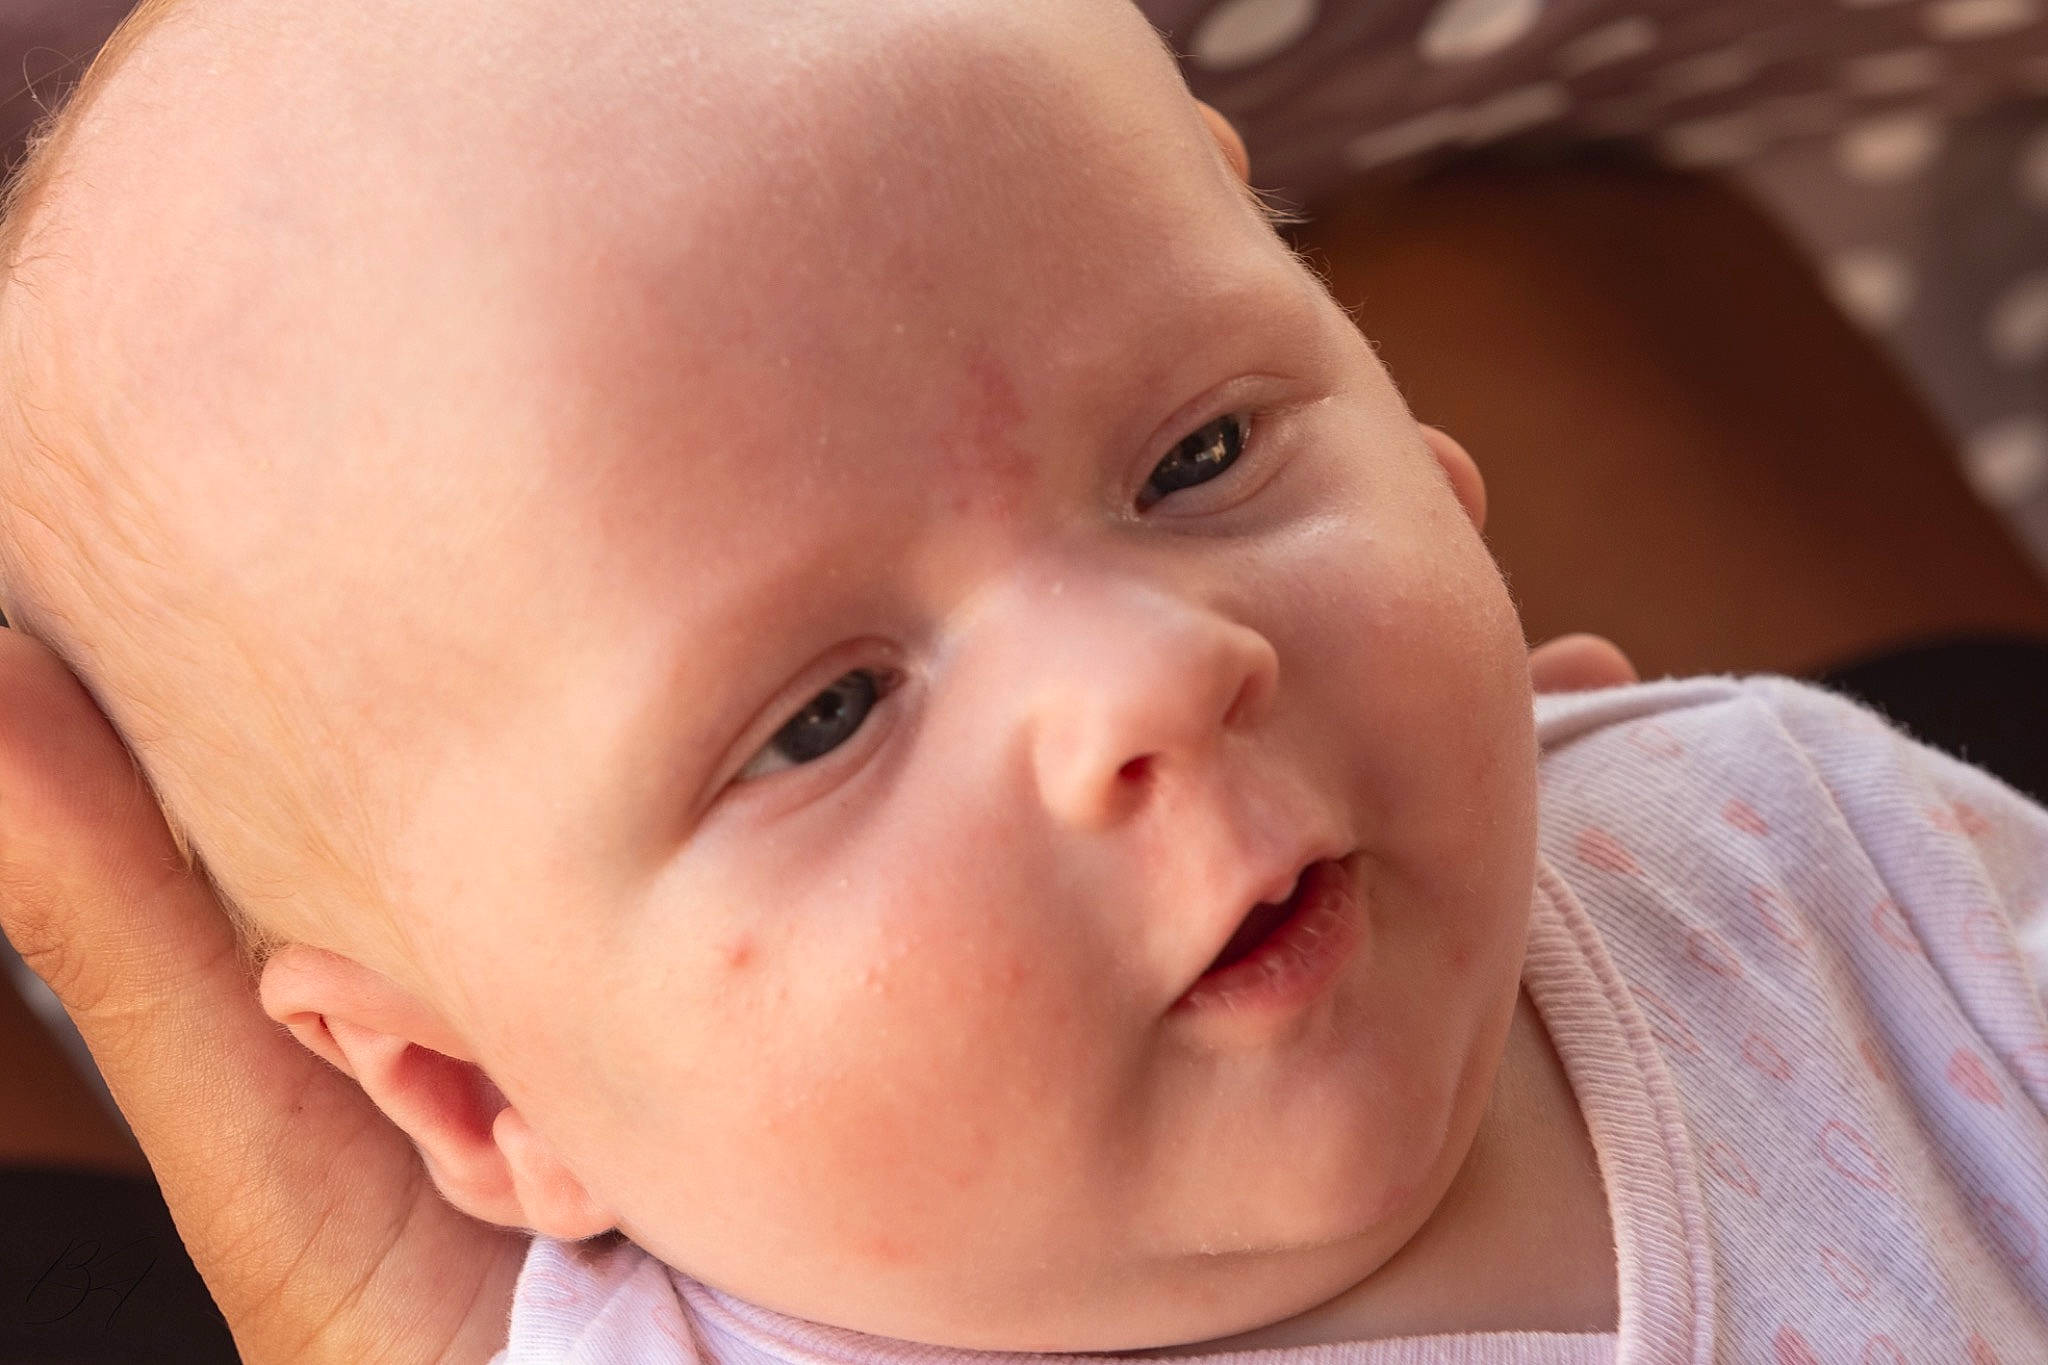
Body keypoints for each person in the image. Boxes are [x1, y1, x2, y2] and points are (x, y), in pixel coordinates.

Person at [2, 0, 2048, 1360]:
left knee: (1576, 248)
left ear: (1430, 460)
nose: (1160, 671)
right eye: (825, 713)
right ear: (471, 1089)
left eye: (1201, 452)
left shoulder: (1817, 867)